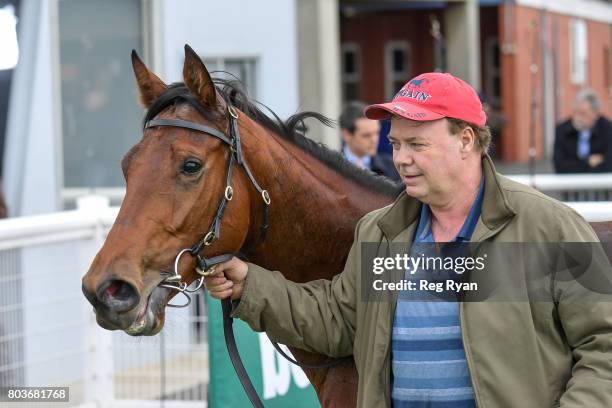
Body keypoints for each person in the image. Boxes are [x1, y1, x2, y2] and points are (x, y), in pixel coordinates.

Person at [205, 73, 612, 407]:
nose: (400, 159)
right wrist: (250, 285)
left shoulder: (551, 226)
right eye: (396, 144)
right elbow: (338, 321)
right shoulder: (380, 232)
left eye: (417, 144)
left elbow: (604, 344)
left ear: (466, 140)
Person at [553, 89, 612, 173]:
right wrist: (587, 162)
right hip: (570, 183)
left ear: (596, 113)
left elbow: (609, 165)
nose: (577, 118)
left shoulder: (608, 129)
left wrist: (575, 165)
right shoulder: (562, 130)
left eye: (583, 113)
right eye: (575, 112)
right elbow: (559, 166)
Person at [340, 101, 400, 181]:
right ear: (346, 135)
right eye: (366, 135)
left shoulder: (392, 166)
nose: (374, 140)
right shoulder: (330, 167)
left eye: (376, 133)